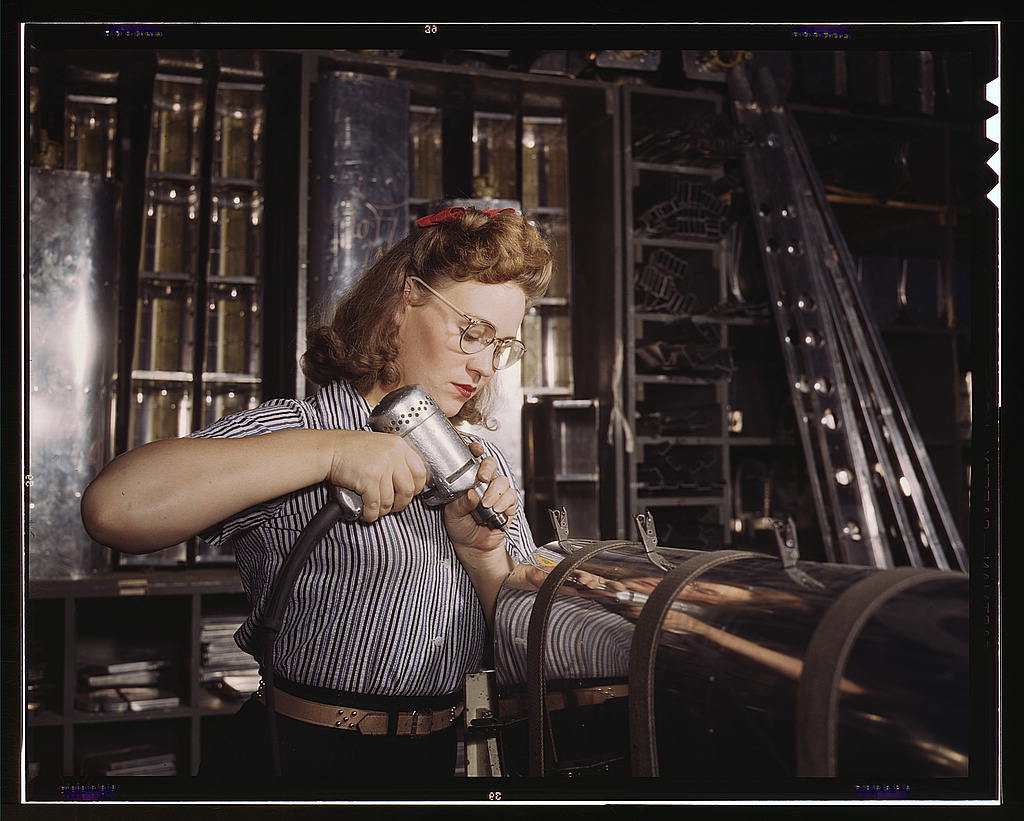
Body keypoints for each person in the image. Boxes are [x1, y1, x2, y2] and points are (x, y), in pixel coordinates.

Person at [81, 206, 553, 778]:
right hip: (301, 756)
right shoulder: (297, 428)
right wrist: (331, 453)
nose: (483, 364)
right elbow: (113, 510)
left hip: (434, 759)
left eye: (501, 345)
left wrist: (484, 559)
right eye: (472, 330)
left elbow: (530, 654)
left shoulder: (481, 465)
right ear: (405, 301)